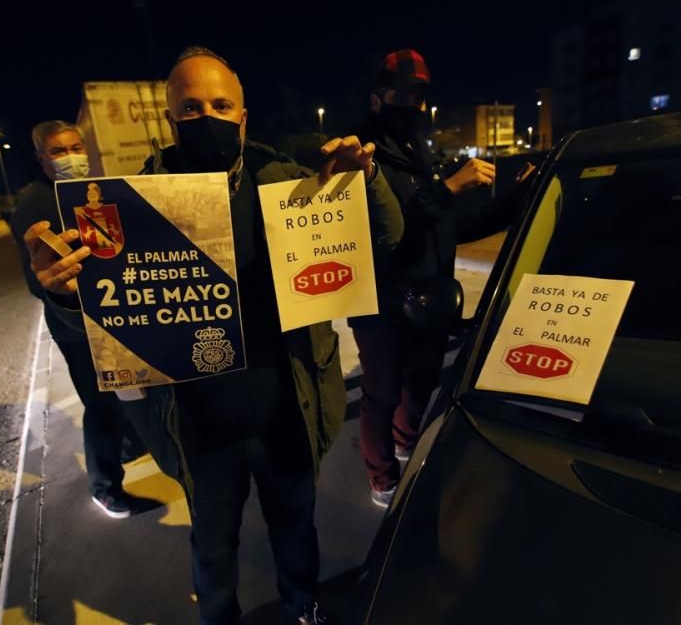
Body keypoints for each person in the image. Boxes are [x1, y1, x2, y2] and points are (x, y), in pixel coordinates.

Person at [23, 46, 403, 625]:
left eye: (221, 104)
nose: (208, 115)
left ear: (244, 117)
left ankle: (304, 605)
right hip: (199, 424)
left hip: (287, 411)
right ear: (171, 119)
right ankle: (218, 616)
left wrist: (366, 180)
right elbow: (106, 320)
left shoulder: (290, 186)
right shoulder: (130, 206)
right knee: (213, 542)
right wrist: (65, 292)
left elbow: (386, 237)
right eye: (191, 106)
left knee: (296, 526)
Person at [350, 49, 534, 508]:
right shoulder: (364, 157)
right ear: (378, 100)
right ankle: (382, 479)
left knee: (421, 384)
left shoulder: (418, 155)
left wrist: (516, 198)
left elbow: (454, 227)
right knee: (381, 393)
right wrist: (450, 186)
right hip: (383, 310)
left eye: (420, 96)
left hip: (429, 303)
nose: (413, 105)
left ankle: (404, 442)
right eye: (403, 94)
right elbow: (390, 230)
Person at [9, 119, 150, 519]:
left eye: (76, 147)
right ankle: (104, 488)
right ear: (41, 159)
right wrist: (68, 293)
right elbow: (38, 283)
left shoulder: (96, 193)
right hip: (75, 327)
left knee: (132, 391)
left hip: (112, 315)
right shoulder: (34, 208)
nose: (71, 157)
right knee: (102, 404)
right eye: (58, 151)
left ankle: (129, 446)